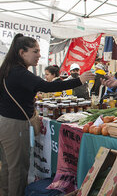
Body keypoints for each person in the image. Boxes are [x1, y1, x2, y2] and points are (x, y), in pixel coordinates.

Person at [0, 34, 95, 196]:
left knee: (8, 166)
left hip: (6, 122)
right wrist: (79, 80)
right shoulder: (19, 72)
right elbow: (46, 86)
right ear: (22, 52)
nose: (39, 55)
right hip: (15, 125)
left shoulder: (9, 69)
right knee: (18, 168)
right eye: (35, 51)